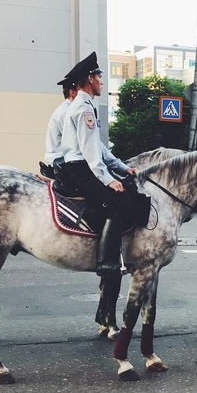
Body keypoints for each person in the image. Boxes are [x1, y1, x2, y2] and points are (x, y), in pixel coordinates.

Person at [59, 51, 137, 276]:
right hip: (79, 167)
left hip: (80, 165)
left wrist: (122, 168)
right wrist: (109, 180)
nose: (102, 81)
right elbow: (91, 152)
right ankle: (106, 262)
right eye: (100, 76)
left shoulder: (85, 105)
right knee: (119, 201)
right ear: (90, 78)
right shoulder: (83, 108)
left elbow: (99, 147)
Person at [44, 77, 78, 166]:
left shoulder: (66, 109)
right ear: (73, 93)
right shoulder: (67, 112)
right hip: (61, 161)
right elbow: (77, 143)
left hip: (63, 159)